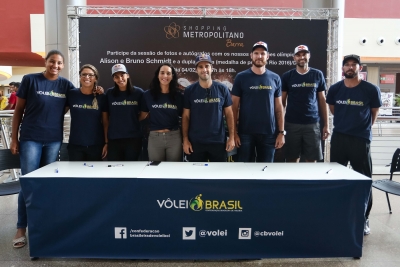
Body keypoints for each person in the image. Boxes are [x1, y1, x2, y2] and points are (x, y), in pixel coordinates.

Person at [10, 50, 76, 248]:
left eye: (59, 63)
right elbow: (18, 111)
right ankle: (21, 227)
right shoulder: (30, 80)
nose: (55, 65)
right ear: (45, 62)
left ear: (63, 65)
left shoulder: (65, 85)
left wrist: (97, 91)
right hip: (30, 138)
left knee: (47, 183)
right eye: (52, 62)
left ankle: (46, 224)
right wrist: (14, 138)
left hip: (53, 140)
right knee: (28, 182)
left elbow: (81, 97)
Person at [326, 54, 382, 235]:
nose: (350, 67)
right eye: (347, 65)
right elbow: (333, 109)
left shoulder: (370, 89)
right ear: (343, 68)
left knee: (364, 180)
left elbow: (373, 114)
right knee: (336, 179)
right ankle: (337, 213)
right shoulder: (335, 89)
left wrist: (362, 129)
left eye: (354, 65)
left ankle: (364, 218)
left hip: (361, 140)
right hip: (339, 138)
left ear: (360, 68)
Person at [231, 41, 285, 162]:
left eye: (262, 53)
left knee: (265, 171)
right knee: (243, 170)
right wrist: (234, 133)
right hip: (245, 134)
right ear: (251, 55)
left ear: (268, 56)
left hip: (269, 134)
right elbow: (233, 107)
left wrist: (281, 132)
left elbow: (279, 108)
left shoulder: (275, 78)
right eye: (256, 53)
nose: (259, 56)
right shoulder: (241, 77)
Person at [281, 45, 330, 162]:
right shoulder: (287, 76)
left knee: (311, 160)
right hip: (292, 124)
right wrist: (281, 128)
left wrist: (326, 125)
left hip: (312, 124)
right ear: (294, 58)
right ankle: (292, 181)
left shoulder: (317, 74)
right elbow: (282, 103)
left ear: (309, 56)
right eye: (298, 55)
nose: (301, 57)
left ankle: (309, 181)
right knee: (292, 159)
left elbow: (322, 100)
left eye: (304, 54)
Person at [182, 54, 235, 162]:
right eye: (200, 67)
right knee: (195, 177)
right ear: (196, 70)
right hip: (195, 143)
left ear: (212, 68)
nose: (204, 69)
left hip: (218, 142)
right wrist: (186, 139)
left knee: (217, 177)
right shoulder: (189, 91)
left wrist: (232, 138)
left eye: (207, 66)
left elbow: (229, 114)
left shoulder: (222, 89)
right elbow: (186, 116)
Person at [139, 63, 183, 162]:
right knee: (155, 171)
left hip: (174, 137)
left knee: (174, 170)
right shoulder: (148, 95)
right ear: (157, 75)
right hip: (155, 138)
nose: (165, 76)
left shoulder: (179, 96)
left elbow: (184, 116)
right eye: (162, 73)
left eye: (168, 73)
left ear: (172, 76)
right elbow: (142, 115)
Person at [66, 64, 108, 161]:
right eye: (84, 74)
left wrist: (106, 143)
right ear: (80, 77)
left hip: (96, 145)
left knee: (94, 175)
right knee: (76, 175)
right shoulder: (72, 94)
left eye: (90, 75)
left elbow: (105, 122)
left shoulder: (102, 97)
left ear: (95, 78)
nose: (87, 77)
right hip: (75, 145)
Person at [105, 64, 144, 161]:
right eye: (116, 76)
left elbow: (144, 113)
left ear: (128, 75)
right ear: (113, 79)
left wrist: (133, 120)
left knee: (131, 169)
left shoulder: (138, 93)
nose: (120, 79)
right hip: (114, 138)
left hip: (133, 138)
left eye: (122, 75)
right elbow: (106, 117)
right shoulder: (109, 94)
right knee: (114, 170)